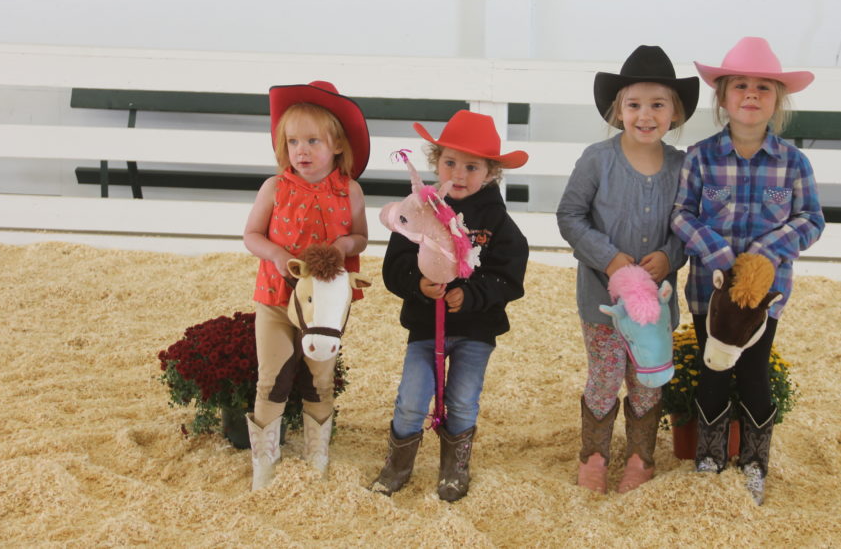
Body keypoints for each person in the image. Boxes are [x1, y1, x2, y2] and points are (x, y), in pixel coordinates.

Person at [671, 37, 825, 504]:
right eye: (740, 86)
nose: (751, 95)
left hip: (764, 296)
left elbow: (811, 219)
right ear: (723, 97)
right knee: (712, 367)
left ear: (779, 100)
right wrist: (718, 253)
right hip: (709, 291)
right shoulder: (700, 157)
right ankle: (710, 457)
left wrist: (764, 251)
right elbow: (682, 215)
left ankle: (755, 461)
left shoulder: (793, 162)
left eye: (764, 87)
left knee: (755, 370)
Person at [557, 45, 698, 494]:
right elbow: (570, 216)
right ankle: (594, 456)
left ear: (674, 113)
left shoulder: (682, 166)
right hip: (602, 300)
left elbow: (690, 224)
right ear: (617, 111)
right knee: (604, 375)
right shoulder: (597, 159)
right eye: (634, 104)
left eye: (658, 105)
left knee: (647, 378)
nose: (645, 115)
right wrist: (609, 258)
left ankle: (640, 457)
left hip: (655, 306)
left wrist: (671, 256)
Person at [371, 110, 529, 502]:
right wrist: (419, 284)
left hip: (475, 329)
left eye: (471, 167)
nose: (458, 174)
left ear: (491, 172)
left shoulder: (496, 219)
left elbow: (509, 274)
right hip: (426, 327)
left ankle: (454, 466)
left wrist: (471, 295)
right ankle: (398, 464)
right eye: (450, 162)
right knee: (411, 398)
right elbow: (394, 265)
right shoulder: (421, 207)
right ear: (435, 161)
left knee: (462, 399)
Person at [242, 80, 370, 491]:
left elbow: (361, 237)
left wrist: (344, 244)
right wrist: (277, 255)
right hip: (277, 300)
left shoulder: (349, 191)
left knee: (320, 376)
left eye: (313, 140)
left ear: (336, 145)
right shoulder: (275, 187)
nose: (302, 150)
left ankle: (318, 452)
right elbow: (251, 235)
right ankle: (265, 460)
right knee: (271, 377)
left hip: (324, 307)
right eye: (293, 141)